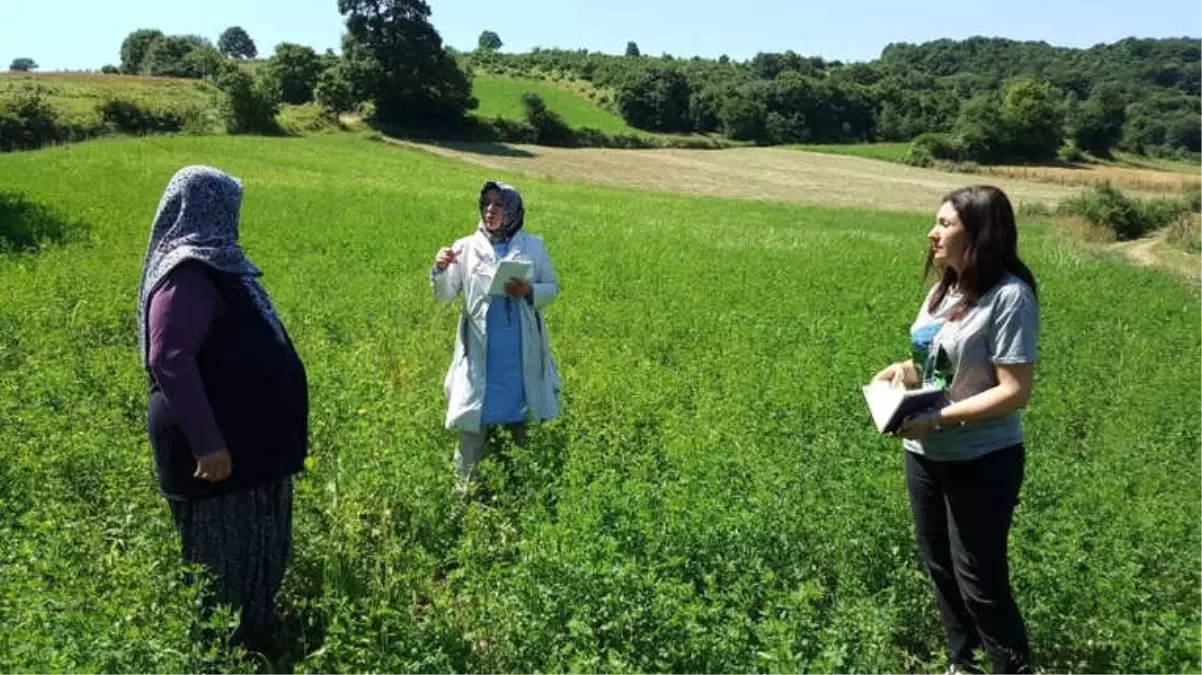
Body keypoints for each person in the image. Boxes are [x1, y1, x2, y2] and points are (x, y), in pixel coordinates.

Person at [137, 165, 308, 651]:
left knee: (254, 540)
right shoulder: (187, 271)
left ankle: (257, 632)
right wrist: (209, 446)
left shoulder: (217, 263)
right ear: (205, 207)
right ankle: (229, 649)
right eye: (227, 206)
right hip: (220, 453)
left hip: (251, 444)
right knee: (225, 553)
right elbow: (169, 357)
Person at [871, 185, 1039, 675]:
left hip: (982, 459)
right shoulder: (944, 288)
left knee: (980, 579)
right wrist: (902, 371)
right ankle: (963, 665)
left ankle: (1012, 669)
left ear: (980, 234)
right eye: (936, 222)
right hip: (925, 453)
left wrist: (940, 417)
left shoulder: (1010, 297)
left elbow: (1014, 390)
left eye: (945, 224)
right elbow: (936, 366)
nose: (933, 232)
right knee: (941, 569)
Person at [431, 180, 561, 486]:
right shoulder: (464, 247)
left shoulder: (534, 246)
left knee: (523, 418)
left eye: (499, 204)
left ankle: (524, 490)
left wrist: (530, 290)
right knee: (474, 422)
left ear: (513, 209)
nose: (490, 210)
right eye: (486, 203)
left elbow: (552, 288)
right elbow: (445, 296)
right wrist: (439, 269)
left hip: (520, 350)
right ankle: (466, 492)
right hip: (481, 352)